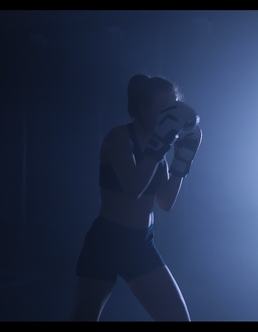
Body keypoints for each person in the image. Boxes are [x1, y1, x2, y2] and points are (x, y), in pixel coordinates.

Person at [71, 74, 202, 321]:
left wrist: (182, 160)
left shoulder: (160, 151)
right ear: (143, 107)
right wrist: (161, 143)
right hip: (106, 242)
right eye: (165, 107)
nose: (173, 113)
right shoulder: (119, 137)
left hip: (140, 244)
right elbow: (133, 188)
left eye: (175, 105)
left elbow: (165, 203)